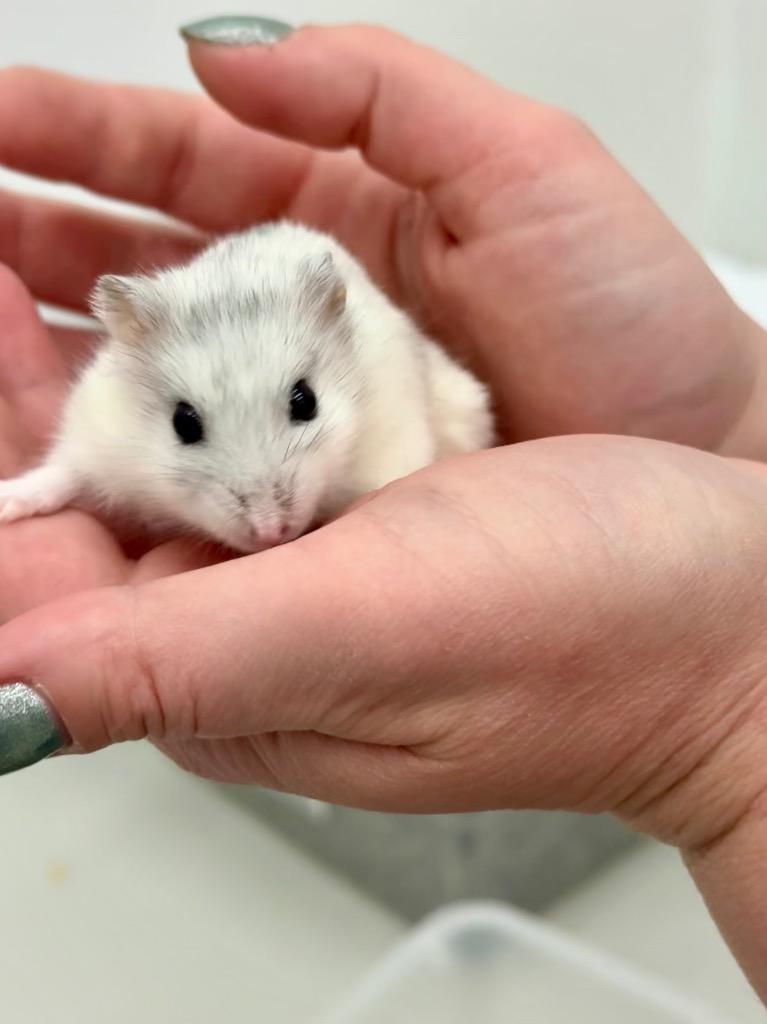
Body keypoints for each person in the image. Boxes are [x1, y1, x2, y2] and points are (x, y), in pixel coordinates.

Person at [0, 16, 766, 1002]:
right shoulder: (129, 372)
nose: (263, 507)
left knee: (456, 413)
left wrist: (729, 711)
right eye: (189, 426)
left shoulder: (360, 343)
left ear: (333, 368)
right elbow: (95, 429)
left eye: (301, 411)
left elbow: (402, 432)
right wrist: (54, 483)